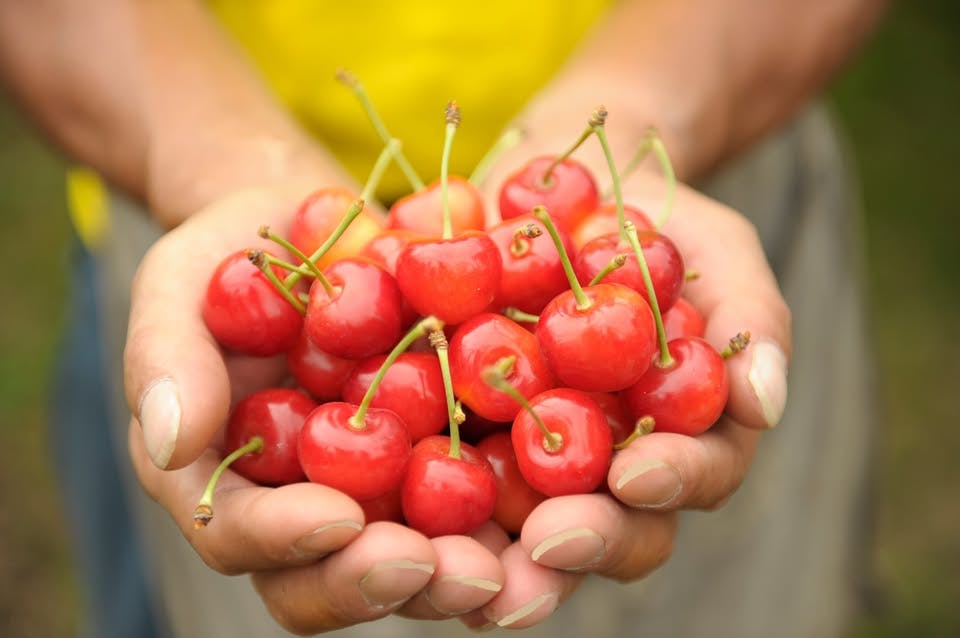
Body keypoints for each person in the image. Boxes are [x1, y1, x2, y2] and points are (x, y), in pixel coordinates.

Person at [0, 1, 885, 636]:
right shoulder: (309, 323)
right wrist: (222, 159)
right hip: (195, 196)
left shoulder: (621, 283)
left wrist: (647, 107)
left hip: (686, 183)